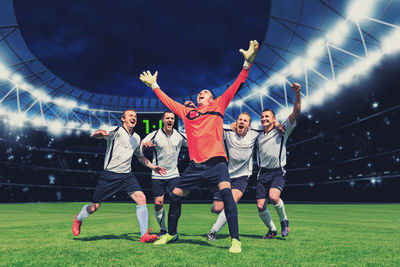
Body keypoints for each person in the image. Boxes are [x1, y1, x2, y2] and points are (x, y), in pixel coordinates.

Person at [139, 40, 259, 253]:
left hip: (217, 164)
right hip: (195, 167)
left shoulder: (218, 105)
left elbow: (236, 85)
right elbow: (168, 102)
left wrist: (247, 64)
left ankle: (235, 241)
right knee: (175, 196)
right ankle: (171, 234)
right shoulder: (188, 113)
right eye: (199, 93)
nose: (200, 94)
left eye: (204, 93)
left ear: (211, 98)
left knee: (227, 196)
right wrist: (154, 86)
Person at [72, 109, 167, 243]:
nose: (134, 118)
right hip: (109, 175)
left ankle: (143, 235)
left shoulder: (137, 138)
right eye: (130, 116)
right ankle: (79, 219)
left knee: (141, 198)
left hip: (126, 176)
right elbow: (102, 134)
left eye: (135, 116)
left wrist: (153, 167)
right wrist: (99, 134)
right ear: (123, 119)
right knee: (94, 207)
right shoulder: (116, 130)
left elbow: (140, 157)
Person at [256, 82, 301, 239]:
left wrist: (297, 93)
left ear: (274, 119)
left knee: (274, 197)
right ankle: (272, 229)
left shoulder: (283, 130)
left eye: (267, 116)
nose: (264, 119)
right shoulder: (258, 135)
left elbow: (296, 111)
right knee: (261, 206)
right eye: (262, 117)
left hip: (277, 171)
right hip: (262, 173)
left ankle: (284, 221)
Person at [141, 111, 187, 236]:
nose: (170, 120)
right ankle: (163, 229)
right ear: (163, 120)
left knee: (176, 201)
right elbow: (140, 148)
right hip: (158, 174)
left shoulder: (180, 135)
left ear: (174, 121)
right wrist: (144, 146)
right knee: (158, 203)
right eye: (167, 118)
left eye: (172, 118)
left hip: (174, 174)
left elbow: (194, 144)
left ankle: (173, 229)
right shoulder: (154, 135)